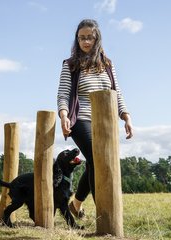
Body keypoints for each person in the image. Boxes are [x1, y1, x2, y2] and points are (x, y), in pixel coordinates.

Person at [57, 19, 133, 219]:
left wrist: (126, 117)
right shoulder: (71, 64)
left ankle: (76, 204)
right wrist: (64, 115)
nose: (86, 42)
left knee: (94, 161)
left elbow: (117, 93)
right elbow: (63, 94)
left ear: (97, 38)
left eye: (89, 37)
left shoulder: (107, 64)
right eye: (81, 38)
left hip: (104, 122)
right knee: (98, 159)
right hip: (80, 120)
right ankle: (105, 215)